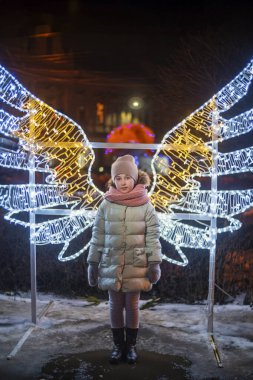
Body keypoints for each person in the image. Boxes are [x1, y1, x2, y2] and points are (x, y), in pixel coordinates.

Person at [87, 154, 162, 364]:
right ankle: (117, 345)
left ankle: (131, 346)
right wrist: (92, 263)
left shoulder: (146, 205)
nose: (123, 182)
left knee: (132, 305)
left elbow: (152, 236)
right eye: (118, 178)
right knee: (114, 305)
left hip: (136, 264)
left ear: (136, 178)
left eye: (127, 177)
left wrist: (154, 262)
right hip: (111, 262)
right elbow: (98, 235)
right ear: (113, 180)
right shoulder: (106, 204)